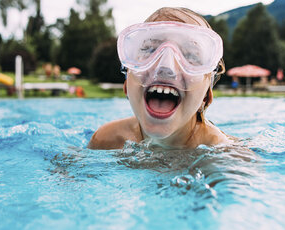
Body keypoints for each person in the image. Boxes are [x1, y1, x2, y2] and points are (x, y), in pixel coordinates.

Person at [88, 7, 231, 150]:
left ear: (206, 96)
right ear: (127, 85)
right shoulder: (107, 140)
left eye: (190, 56)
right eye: (150, 49)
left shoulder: (219, 150)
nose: (165, 67)